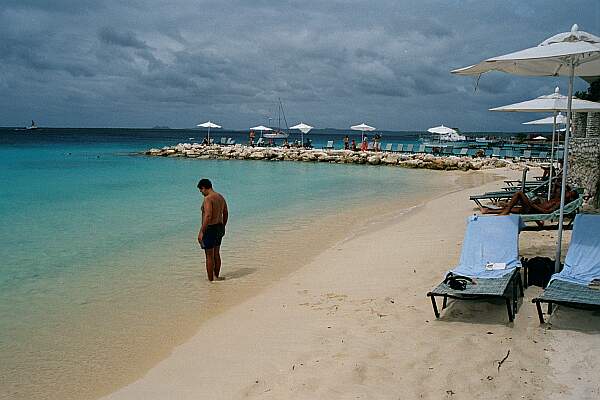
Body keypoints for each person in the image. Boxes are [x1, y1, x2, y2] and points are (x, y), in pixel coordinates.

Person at [197, 179, 228, 281]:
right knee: (216, 253)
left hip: (210, 228)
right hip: (219, 227)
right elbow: (226, 212)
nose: (201, 193)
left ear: (204, 187)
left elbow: (208, 215)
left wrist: (202, 231)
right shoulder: (220, 197)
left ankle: (210, 281)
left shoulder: (208, 199)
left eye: (201, 190)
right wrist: (223, 225)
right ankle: (217, 276)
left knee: (209, 256)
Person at [481, 184, 578, 215]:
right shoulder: (558, 197)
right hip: (532, 207)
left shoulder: (561, 202)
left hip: (533, 209)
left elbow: (548, 212)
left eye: (570, 193)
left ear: (571, 197)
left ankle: (506, 207)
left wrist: (533, 205)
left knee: (519, 193)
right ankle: (489, 210)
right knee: (511, 209)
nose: (567, 192)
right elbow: (557, 187)